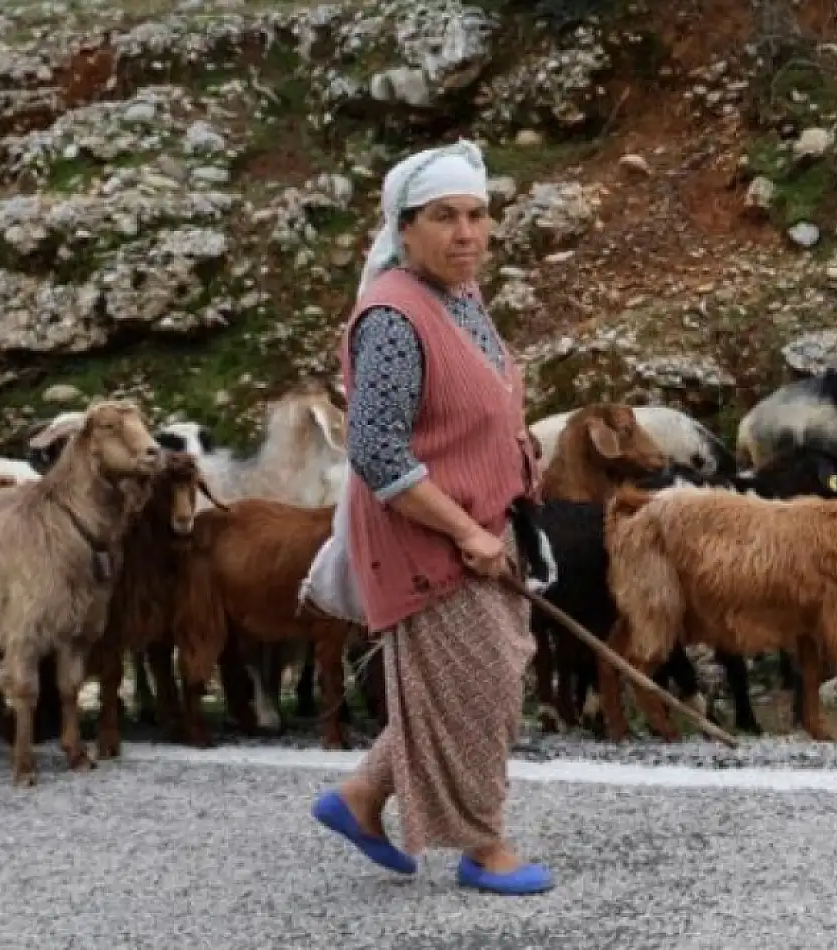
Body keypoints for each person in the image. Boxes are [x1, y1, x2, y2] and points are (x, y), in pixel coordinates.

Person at [308, 140, 553, 896]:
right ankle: (484, 845)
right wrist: (467, 532)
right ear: (403, 228)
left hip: (483, 519)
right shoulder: (391, 318)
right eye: (443, 217)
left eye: (477, 215)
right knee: (481, 688)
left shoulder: (460, 296)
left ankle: (359, 798)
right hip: (429, 536)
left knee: (486, 675)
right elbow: (378, 453)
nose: (466, 233)